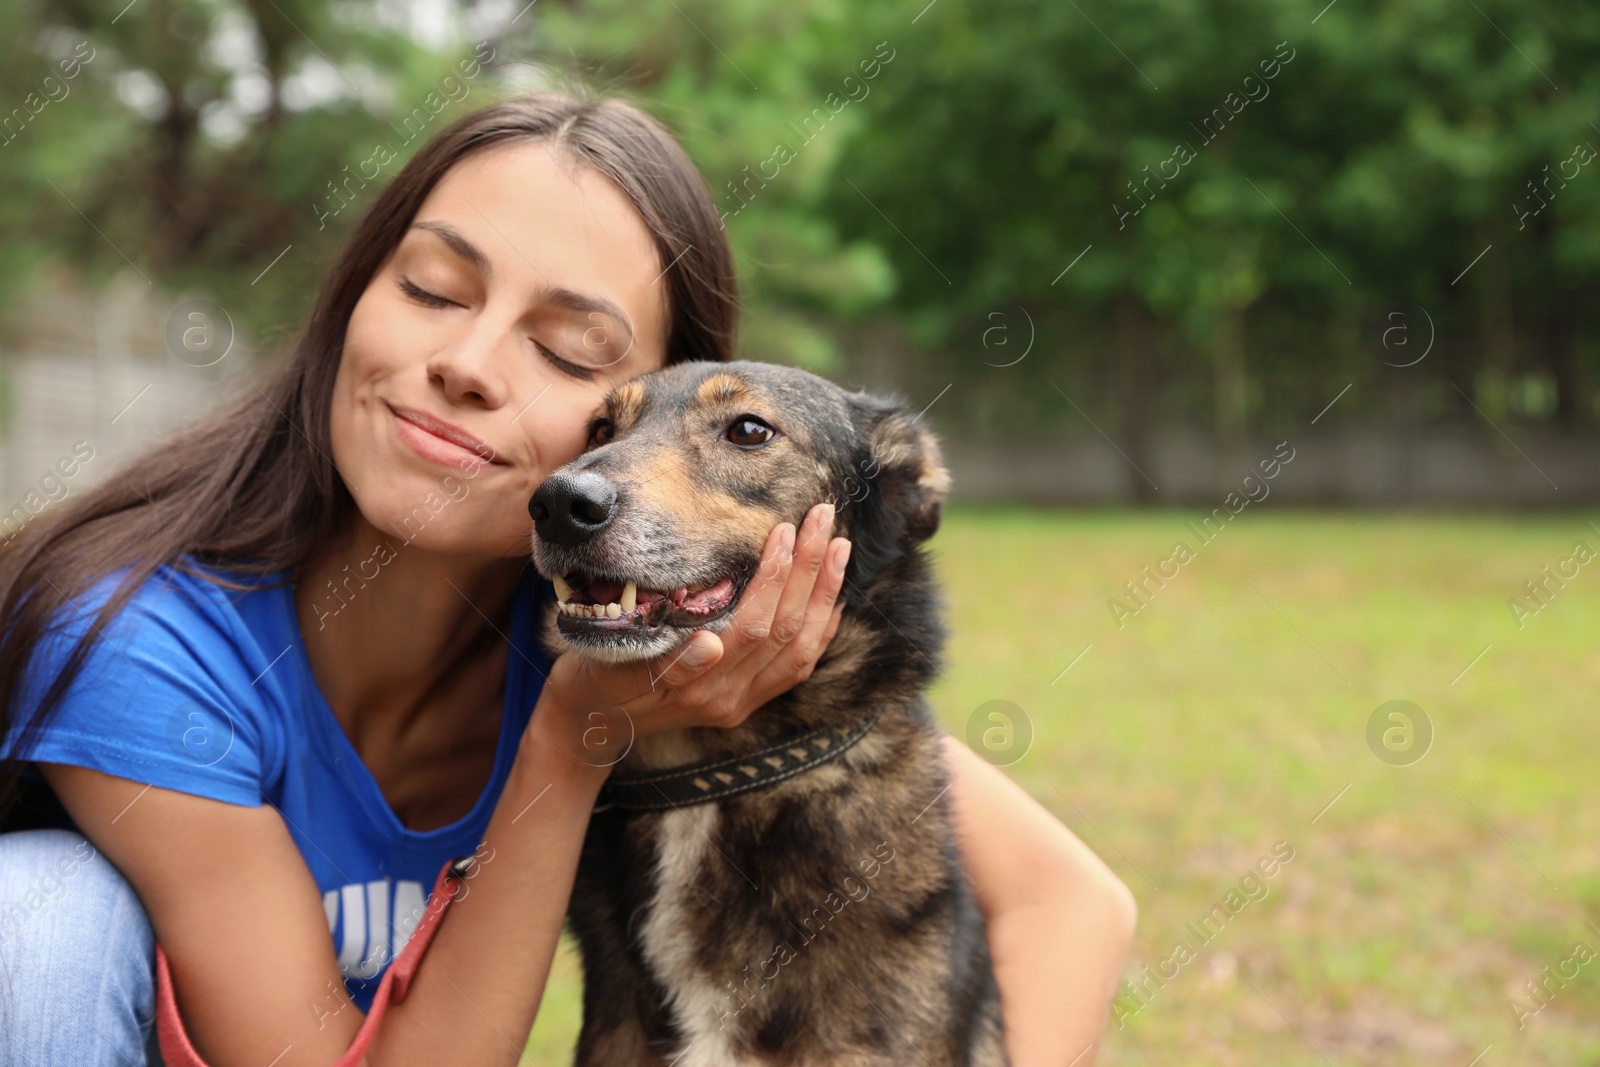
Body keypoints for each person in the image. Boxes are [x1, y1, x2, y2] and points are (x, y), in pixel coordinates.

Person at [0, 92, 1135, 1067]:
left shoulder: (633, 627)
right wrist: (569, 739)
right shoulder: (139, 644)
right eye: (435, 288)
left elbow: (1070, 901)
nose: (467, 364)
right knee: (36, 916)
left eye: (570, 353)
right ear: (351, 296)